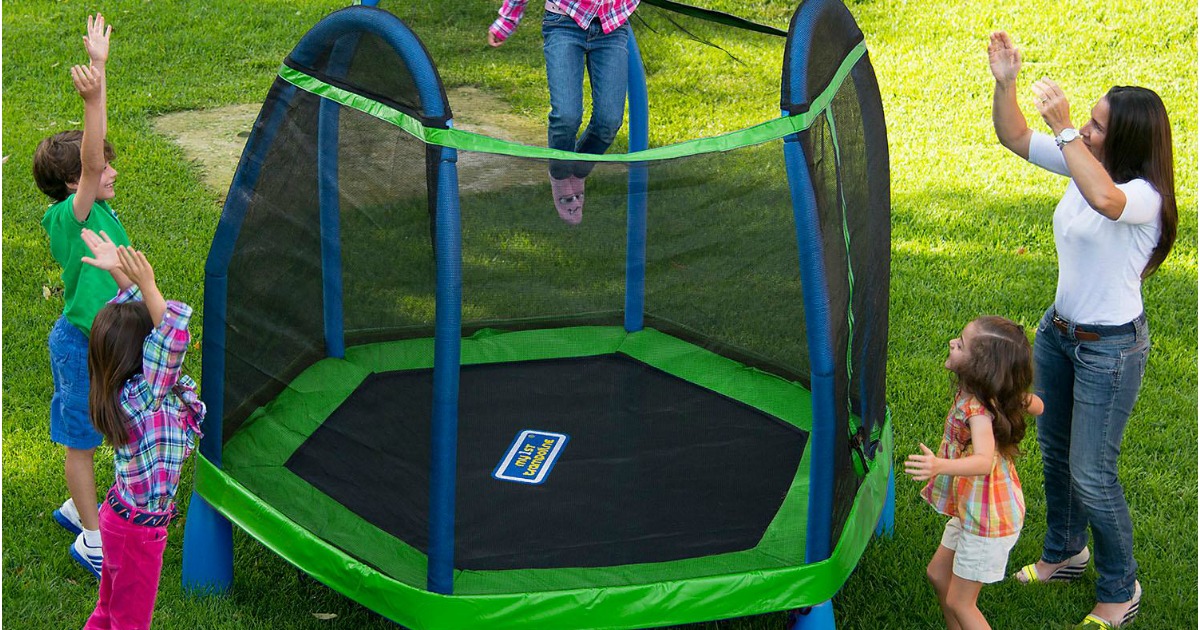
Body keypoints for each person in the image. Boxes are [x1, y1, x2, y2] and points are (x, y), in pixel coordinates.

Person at [987, 30, 1177, 630]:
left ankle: (1121, 588)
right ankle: (1066, 552)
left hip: (1109, 350)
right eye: (1086, 120)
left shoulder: (1142, 195)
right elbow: (1014, 136)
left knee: (1093, 473)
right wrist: (1006, 83)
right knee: (1055, 454)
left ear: (1124, 140)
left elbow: (1107, 203)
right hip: (1060, 333)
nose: (1086, 130)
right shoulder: (1082, 163)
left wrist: (1068, 130)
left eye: (1097, 125)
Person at [33, 13, 129, 578]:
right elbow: (92, 162)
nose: (110, 168)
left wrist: (100, 73)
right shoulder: (73, 214)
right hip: (80, 345)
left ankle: (78, 506)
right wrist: (95, 86)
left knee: (105, 426)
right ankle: (93, 540)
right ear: (76, 184)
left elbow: (93, 159)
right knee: (82, 442)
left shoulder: (97, 209)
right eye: (101, 165)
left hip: (106, 340)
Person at [79, 234, 206, 630]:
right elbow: (168, 336)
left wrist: (119, 271)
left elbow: (141, 328)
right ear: (143, 359)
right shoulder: (146, 396)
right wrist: (149, 286)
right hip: (138, 534)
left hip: (118, 518)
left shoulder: (123, 388)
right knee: (129, 623)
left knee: (108, 612)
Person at [905, 316, 1043, 630]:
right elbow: (1040, 406)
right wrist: (1017, 396)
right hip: (975, 509)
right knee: (938, 575)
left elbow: (983, 462)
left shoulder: (977, 412)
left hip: (989, 521)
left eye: (961, 344)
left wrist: (940, 465)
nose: (953, 343)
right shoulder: (986, 392)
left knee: (960, 602)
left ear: (980, 368)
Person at [487, 0, 639, 225]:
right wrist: (508, 20)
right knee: (566, 117)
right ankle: (559, 176)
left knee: (608, 122)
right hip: (564, 22)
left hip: (612, 27)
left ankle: (577, 172)